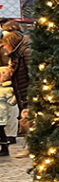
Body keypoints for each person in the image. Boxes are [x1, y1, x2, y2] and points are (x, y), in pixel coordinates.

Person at [1, 23, 30, 155]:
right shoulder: (17, 53)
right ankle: (30, 146)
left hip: (27, 90)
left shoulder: (25, 52)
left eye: (5, 45)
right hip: (21, 89)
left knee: (29, 118)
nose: (5, 49)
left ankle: (32, 147)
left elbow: (31, 72)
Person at [0, 61, 17, 159]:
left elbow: (12, 101)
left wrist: (14, 97)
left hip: (1, 116)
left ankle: (5, 148)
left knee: (1, 133)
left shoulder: (6, 89)